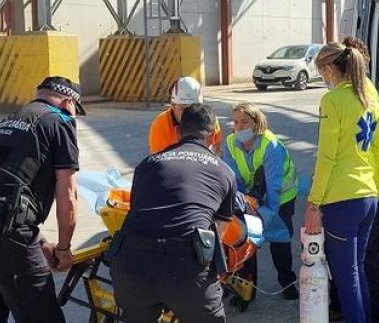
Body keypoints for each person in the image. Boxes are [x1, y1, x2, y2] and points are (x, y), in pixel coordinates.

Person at [0, 76, 84, 323]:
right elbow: (68, 193)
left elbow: (3, 182)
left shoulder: (2, 123)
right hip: (0, 227)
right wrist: (63, 248)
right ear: (67, 102)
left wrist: (37, 241)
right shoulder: (59, 121)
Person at [112, 102, 237, 323]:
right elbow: (219, 231)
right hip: (185, 266)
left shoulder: (146, 164)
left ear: (178, 132)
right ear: (212, 136)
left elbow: (140, 210)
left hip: (131, 263)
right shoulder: (223, 171)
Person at [304, 37, 379, 323]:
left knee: (346, 277)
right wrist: (374, 191)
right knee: (358, 269)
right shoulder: (369, 95)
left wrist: (313, 203)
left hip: (341, 200)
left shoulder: (333, 100)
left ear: (329, 70)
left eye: (321, 73)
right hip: (367, 197)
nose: (322, 79)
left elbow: (326, 158)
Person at [221, 102, 299, 301]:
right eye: (236, 122)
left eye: (244, 122)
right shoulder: (231, 142)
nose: (239, 127)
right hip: (251, 195)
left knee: (279, 240)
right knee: (247, 240)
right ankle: (247, 289)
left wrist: (269, 215)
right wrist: (241, 205)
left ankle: (287, 282)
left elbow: (273, 185)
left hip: (281, 196)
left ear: (256, 124)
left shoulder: (270, 144)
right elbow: (234, 178)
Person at [149, 76, 221, 153]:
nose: (190, 114)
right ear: (173, 105)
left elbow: (215, 154)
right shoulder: (160, 126)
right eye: (184, 109)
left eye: (194, 108)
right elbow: (159, 161)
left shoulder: (210, 122)